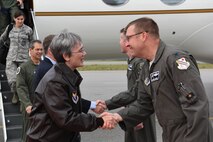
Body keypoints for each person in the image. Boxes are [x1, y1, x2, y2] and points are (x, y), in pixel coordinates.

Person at [101, 17, 213, 142]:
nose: (126, 44)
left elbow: (196, 106)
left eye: (129, 38)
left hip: (189, 134)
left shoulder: (174, 59)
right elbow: (144, 104)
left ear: (143, 36)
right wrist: (117, 116)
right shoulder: (147, 66)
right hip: (170, 134)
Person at [26, 31, 116, 142]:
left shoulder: (67, 76)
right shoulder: (54, 82)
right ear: (66, 56)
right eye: (81, 50)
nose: (84, 53)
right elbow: (66, 118)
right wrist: (99, 121)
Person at [98, 28, 156, 142]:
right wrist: (107, 103)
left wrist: (137, 117)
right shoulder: (132, 60)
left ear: (127, 42)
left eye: (121, 39)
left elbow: (139, 92)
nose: (119, 42)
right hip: (131, 111)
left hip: (139, 113)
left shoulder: (139, 62)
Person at [0, 10, 33, 104]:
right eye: (18, 19)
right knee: (12, 79)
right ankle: (15, 93)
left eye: (22, 19)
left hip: (24, 58)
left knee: (23, 79)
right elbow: (2, 39)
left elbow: (32, 43)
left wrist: (32, 55)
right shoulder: (9, 28)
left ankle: (24, 97)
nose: (20, 21)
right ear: (14, 19)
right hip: (11, 57)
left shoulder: (28, 30)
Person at [16, 40, 43, 142]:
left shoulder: (45, 66)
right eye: (37, 49)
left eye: (41, 49)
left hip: (43, 106)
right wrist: (27, 104)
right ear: (30, 51)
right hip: (30, 107)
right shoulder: (23, 68)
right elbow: (20, 87)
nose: (40, 51)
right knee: (28, 133)